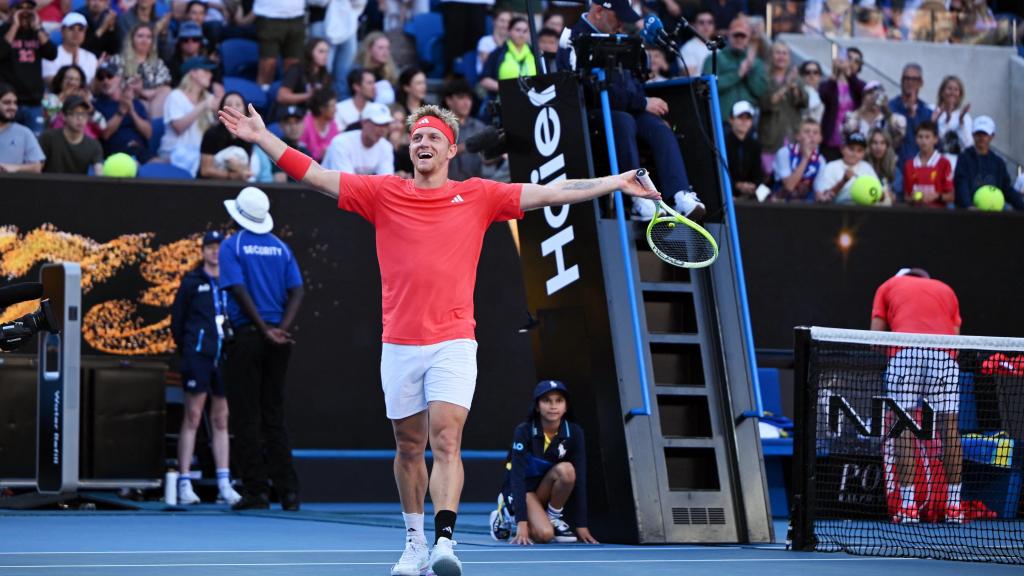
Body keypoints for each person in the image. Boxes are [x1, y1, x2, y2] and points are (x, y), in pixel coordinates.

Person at [217, 99, 660, 576]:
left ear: (450, 150)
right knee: (409, 446)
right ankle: (414, 543)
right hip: (400, 343)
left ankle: (445, 542)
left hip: (453, 340)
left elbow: (552, 192)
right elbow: (318, 175)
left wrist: (616, 182)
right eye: (417, 137)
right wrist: (262, 138)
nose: (422, 143)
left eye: (432, 138)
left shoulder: (479, 194)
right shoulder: (382, 192)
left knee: (447, 440)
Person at [561, 0, 704, 221]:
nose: (622, 24)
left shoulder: (619, 37)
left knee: (658, 127)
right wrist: (642, 102)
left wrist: (641, 102)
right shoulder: (572, 41)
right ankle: (638, 199)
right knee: (623, 120)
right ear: (599, 12)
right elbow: (591, 92)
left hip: (625, 107)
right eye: (618, 17)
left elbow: (631, 83)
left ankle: (680, 194)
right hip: (589, 115)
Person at [217, 186, 304, 512]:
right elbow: (297, 290)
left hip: (248, 337)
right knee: (273, 413)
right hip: (277, 340)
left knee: (245, 414)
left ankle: (256, 491)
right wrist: (281, 328)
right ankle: (289, 491)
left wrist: (264, 329)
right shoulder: (281, 247)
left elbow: (238, 290)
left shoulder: (232, 245)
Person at [870, 267, 964, 524]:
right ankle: (954, 507)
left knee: (903, 428)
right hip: (943, 356)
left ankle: (909, 507)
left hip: (905, 354)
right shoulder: (946, 289)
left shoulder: (888, 285)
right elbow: (956, 338)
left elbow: (875, 339)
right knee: (949, 428)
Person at [170, 230, 243, 507]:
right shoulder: (191, 282)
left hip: (224, 356)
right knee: (192, 416)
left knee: (222, 418)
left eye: (218, 248)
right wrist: (191, 349)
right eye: (209, 247)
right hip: (198, 357)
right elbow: (177, 322)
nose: (214, 252)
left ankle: (225, 483)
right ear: (202, 251)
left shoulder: (231, 280)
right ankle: (184, 482)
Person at [491, 380, 597, 545]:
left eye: (559, 401)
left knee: (567, 470)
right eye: (547, 401)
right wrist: (522, 523)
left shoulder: (575, 432)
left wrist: (582, 525)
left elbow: (580, 480)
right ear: (537, 406)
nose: (553, 406)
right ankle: (507, 512)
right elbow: (516, 478)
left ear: (566, 406)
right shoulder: (523, 431)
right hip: (523, 491)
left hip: (544, 491)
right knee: (545, 535)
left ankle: (552, 517)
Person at [0, 0, 58, 134]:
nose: (24, 13)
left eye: (29, 9)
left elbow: (52, 54)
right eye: (20, 8)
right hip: (9, 102)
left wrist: (38, 28)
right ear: (11, 11)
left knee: (34, 147)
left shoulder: (37, 32)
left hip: (34, 102)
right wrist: (14, 25)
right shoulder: (3, 30)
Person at [160, 56, 218, 175]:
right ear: (193, 73)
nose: (210, 75)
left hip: (199, 154)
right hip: (174, 153)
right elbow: (178, 128)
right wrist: (202, 106)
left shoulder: (209, 98)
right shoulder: (175, 96)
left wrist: (219, 114)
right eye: (206, 71)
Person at [703, 16, 767, 124]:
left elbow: (760, 92)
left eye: (743, 36)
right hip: (722, 121)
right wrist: (738, 74)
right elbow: (707, 87)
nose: (739, 39)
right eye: (736, 35)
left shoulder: (756, 63)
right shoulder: (714, 58)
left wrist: (748, 72)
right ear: (728, 35)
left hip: (748, 123)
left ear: (749, 37)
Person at [758, 41, 806, 177]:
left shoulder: (797, 79)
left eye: (784, 53)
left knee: (790, 176)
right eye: (778, 52)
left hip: (792, 135)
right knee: (769, 176)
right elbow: (765, 103)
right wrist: (786, 85)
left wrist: (795, 87)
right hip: (770, 137)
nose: (781, 56)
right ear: (771, 56)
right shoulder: (763, 77)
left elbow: (803, 102)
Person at [953, 115, 1020, 210]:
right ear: (973, 134)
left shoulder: (998, 162)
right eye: (978, 134)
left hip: (994, 211)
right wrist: (968, 206)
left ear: (992, 136)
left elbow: (1007, 188)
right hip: (969, 214)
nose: (981, 137)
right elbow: (961, 184)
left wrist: (1021, 205)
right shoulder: (964, 158)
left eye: (985, 134)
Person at [108, 23, 173, 118]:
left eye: (148, 37)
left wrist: (143, 92)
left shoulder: (158, 63)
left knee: (166, 91)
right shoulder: (117, 60)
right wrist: (139, 92)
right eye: (140, 36)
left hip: (154, 104)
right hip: (126, 102)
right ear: (131, 39)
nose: (144, 40)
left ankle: (153, 127)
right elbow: (112, 86)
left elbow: (164, 88)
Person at [93, 62, 153, 162]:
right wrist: (121, 112)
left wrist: (132, 111)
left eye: (109, 76)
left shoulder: (135, 103)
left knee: (164, 166)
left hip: (140, 152)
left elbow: (148, 134)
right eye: (101, 78)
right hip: (115, 156)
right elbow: (105, 134)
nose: (105, 81)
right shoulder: (96, 106)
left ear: (119, 78)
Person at [37, 94, 104, 175]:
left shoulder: (94, 145)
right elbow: (37, 168)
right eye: (74, 113)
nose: (80, 118)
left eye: (83, 114)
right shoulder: (48, 138)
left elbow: (99, 173)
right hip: (49, 186)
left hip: (79, 187)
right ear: (63, 116)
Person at [322, 101, 394, 174]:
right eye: (378, 124)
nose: (382, 130)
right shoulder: (341, 143)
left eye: (386, 125)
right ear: (364, 122)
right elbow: (346, 182)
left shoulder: (386, 146)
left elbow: (387, 180)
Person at [819, 49, 864, 160]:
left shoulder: (859, 85)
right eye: (849, 58)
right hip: (830, 142)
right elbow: (824, 96)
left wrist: (850, 75)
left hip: (852, 144)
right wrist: (835, 73)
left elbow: (863, 94)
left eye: (856, 61)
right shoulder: (829, 84)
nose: (851, 63)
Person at [441, 77, 488, 181]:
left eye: (469, 98)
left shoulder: (479, 126)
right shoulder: (439, 127)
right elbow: (437, 157)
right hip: (447, 188)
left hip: (475, 187)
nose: (466, 102)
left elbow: (486, 160)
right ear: (449, 100)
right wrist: (467, 146)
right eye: (461, 97)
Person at [814, 130, 878, 204]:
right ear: (842, 148)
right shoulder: (831, 167)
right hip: (838, 211)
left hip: (864, 210)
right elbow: (823, 199)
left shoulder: (867, 168)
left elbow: (877, 195)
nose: (854, 153)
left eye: (859, 150)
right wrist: (843, 181)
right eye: (851, 148)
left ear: (864, 153)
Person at [200, 91, 253, 180]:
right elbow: (205, 170)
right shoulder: (211, 134)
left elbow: (247, 171)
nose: (233, 108)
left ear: (245, 111)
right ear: (221, 110)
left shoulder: (248, 136)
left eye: (238, 105)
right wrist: (231, 176)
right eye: (229, 104)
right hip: (211, 185)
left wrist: (238, 168)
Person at [253, 0, 305, 86]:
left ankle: (287, 94)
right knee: (268, 63)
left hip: (297, 15)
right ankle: (263, 94)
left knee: (294, 64)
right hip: (269, 15)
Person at [889, 63, 932, 168]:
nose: (909, 82)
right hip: (895, 167)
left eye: (914, 79)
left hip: (919, 168)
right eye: (906, 78)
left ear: (920, 83)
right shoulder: (890, 107)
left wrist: (913, 117)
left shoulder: (927, 112)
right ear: (901, 81)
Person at [773, 118, 825, 202]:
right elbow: (789, 187)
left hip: (806, 205)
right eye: (807, 131)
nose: (811, 135)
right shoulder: (784, 153)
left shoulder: (821, 160)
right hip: (780, 202)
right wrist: (805, 158)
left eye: (815, 133)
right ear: (797, 136)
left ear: (820, 138)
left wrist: (824, 196)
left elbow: (818, 191)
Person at [903, 120, 953, 208]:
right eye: (920, 137)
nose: (923, 141)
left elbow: (951, 196)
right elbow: (906, 196)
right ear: (916, 139)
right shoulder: (909, 165)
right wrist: (912, 198)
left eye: (927, 137)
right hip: (915, 216)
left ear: (935, 139)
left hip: (938, 216)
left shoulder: (944, 163)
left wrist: (937, 196)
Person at [42, 12, 99, 86]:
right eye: (71, 28)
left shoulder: (91, 57)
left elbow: (93, 88)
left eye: (80, 29)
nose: (76, 33)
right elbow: (51, 83)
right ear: (62, 31)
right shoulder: (50, 54)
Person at [0, 82, 45, 173]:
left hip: (11, 185)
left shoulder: (24, 132)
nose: (13, 107)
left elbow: (37, 167)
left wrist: (15, 168)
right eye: (7, 103)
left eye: (15, 103)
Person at [276, 37, 332, 108]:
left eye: (327, 52)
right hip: (294, 113)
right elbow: (281, 96)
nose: (325, 56)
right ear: (310, 52)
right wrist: (308, 95)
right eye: (321, 51)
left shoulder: (326, 74)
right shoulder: (297, 69)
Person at [439, 0, 490, 77]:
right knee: (454, 43)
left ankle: (474, 77)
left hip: (478, 3)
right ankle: (452, 77)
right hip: (453, 3)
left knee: (475, 44)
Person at [726, 100, 764, 200]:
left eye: (748, 118)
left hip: (749, 195)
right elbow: (721, 172)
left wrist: (753, 186)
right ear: (731, 120)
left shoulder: (755, 145)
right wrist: (736, 185)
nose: (744, 121)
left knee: (765, 194)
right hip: (727, 193)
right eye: (740, 117)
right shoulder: (723, 143)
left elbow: (758, 172)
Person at [931, 75, 972, 158]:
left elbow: (968, 145)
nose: (952, 92)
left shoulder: (965, 117)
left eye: (956, 89)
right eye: (949, 88)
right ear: (942, 92)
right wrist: (936, 122)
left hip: (956, 165)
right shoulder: (931, 110)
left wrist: (961, 123)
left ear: (960, 94)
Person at [355, 31, 397, 106]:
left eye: (387, 48)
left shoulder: (392, 71)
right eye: (380, 48)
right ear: (370, 49)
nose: (385, 52)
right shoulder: (358, 71)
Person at [299, 87, 338, 162]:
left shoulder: (333, 124)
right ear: (322, 109)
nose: (336, 109)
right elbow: (300, 151)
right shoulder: (305, 124)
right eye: (332, 106)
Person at [866, 127, 899, 204]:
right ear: (869, 146)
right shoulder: (863, 167)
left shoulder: (894, 170)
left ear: (887, 146)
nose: (878, 147)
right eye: (875, 143)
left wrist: (893, 196)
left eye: (882, 143)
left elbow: (898, 196)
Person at [678, 10, 715, 77]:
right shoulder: (687, 48)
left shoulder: (717, 46)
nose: (706, 26)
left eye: (710, 22)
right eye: (701, 22)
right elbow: (691, 78)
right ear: (694, 25)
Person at [476, 9, 510, 76]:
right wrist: (499, 44)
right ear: (494, 21)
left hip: (508, 80)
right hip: (488, 81)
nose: (505, 25)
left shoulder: (513, 42)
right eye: (502, 21)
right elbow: (490, 67)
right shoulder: (485, 41)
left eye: (508, 22)